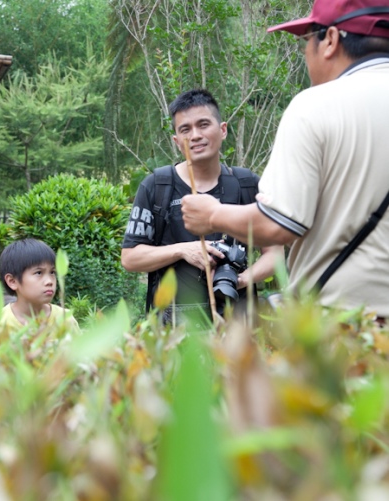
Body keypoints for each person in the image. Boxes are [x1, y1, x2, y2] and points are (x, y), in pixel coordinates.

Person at [180, 0, 389, 319]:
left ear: (331, 40)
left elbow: (278, 224)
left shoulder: (316, 105)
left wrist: (212, 214)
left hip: (346, 323)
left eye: (307, 40)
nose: (305, 52)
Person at [121, 89, 280, 324]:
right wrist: (184, 250)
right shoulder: (157, 186)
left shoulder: (247, 184)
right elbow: (130, 258)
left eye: (203, 124)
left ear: (223, 130)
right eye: (185, 129)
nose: (195, 135)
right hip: (174, 329)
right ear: (177, 141)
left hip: (238, 324)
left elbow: (275, 254)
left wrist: (241, 280)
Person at [0, 238, 79, 340]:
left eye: (52, 272)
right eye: (39, 273)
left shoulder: (65, 319)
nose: (49, 281)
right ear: (12, 281)